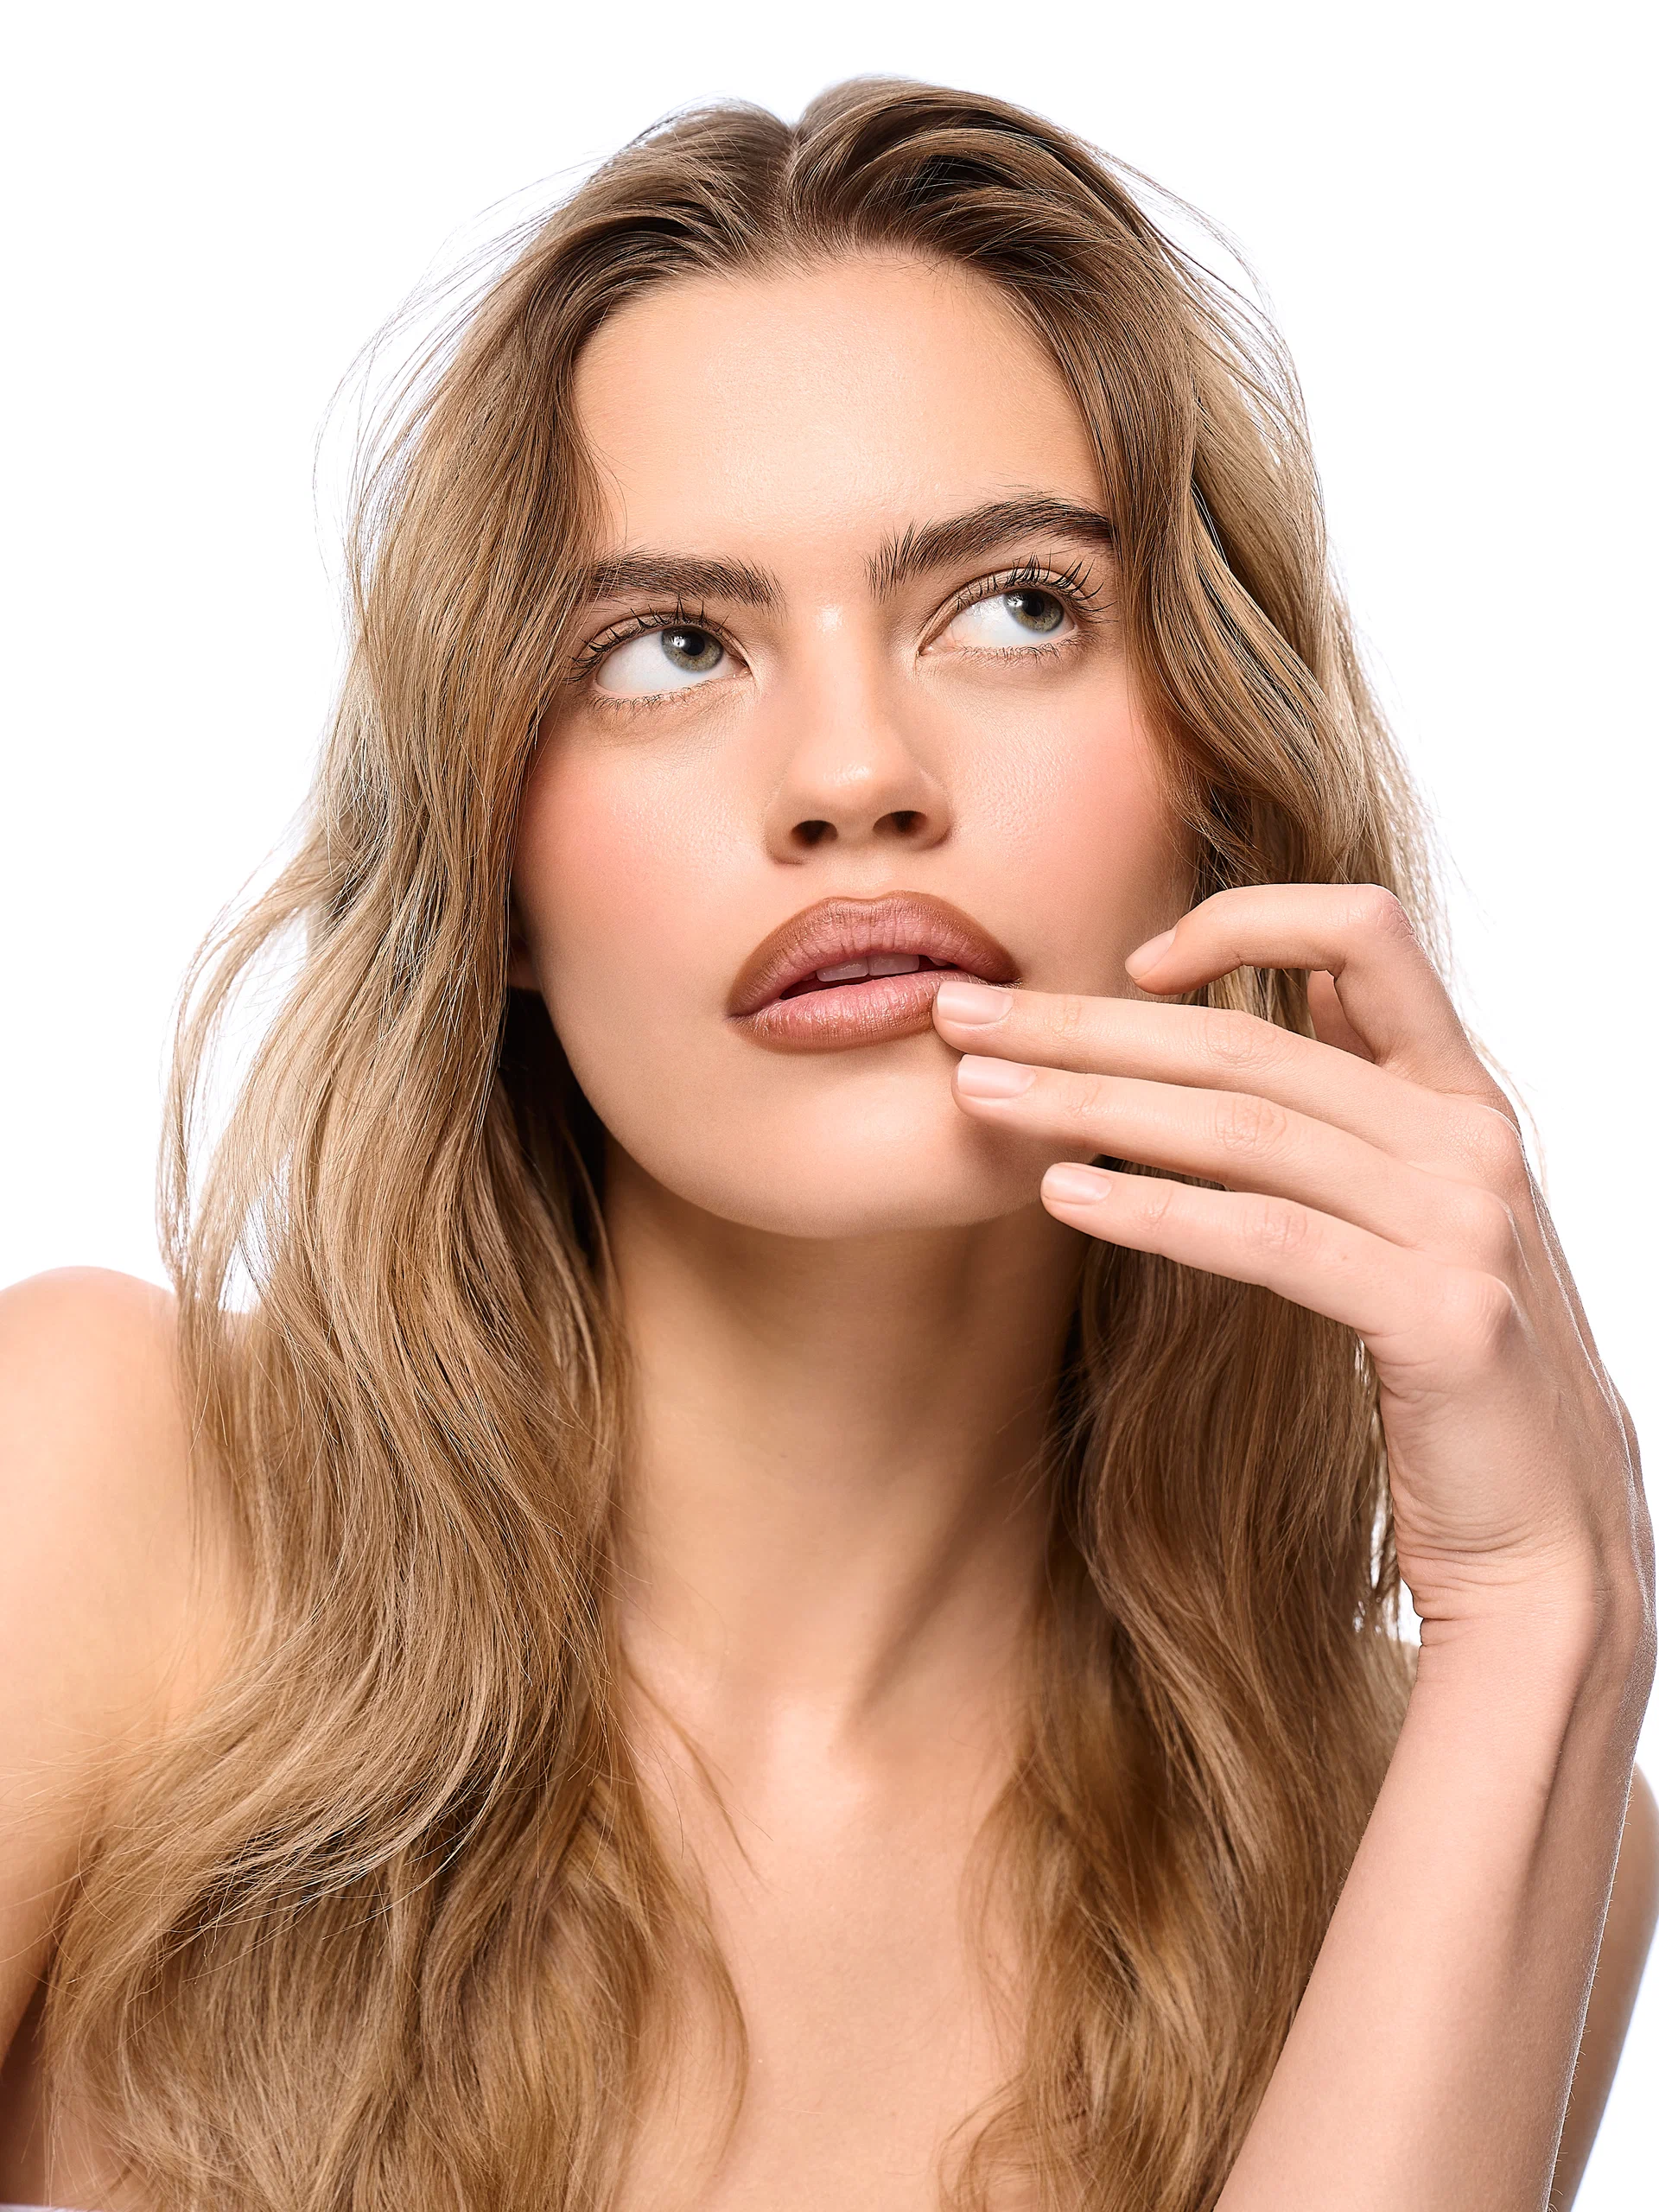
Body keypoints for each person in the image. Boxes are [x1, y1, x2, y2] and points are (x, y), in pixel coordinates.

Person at [0, 77, 1653, 2212]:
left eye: (1017, 606)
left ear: (1224, 786)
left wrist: (1545, 1613)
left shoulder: (1452, 1806)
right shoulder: (102, 1485)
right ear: (496, 872)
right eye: (670, 649)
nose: (856, 771)